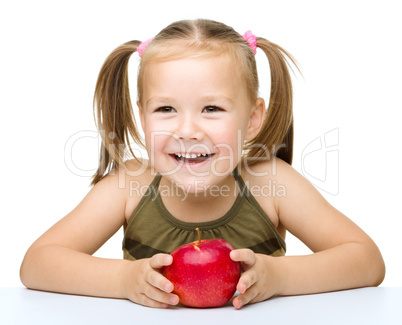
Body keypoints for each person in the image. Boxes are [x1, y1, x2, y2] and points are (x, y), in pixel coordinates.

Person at [20, 19, 385, 309]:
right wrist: (122, 280)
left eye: (211, 109)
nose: (187, 130)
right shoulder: (129, 185)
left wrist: (280, 276)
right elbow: (37, 264)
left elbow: (367, 261)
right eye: (165, 109)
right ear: (142, 115)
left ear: (253, 117)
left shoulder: (271, 183)